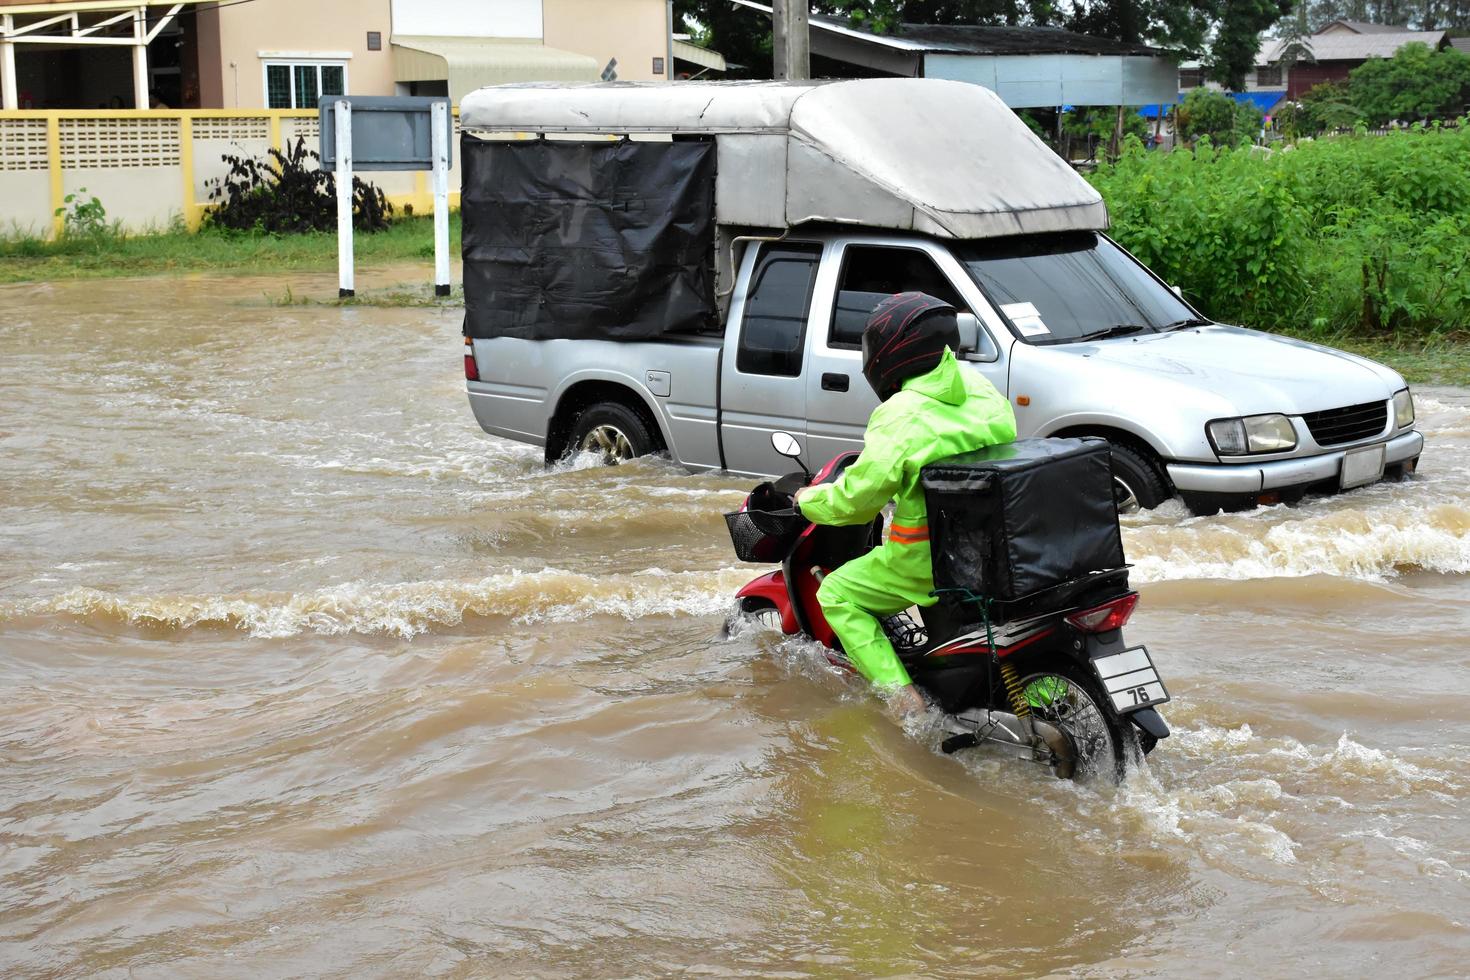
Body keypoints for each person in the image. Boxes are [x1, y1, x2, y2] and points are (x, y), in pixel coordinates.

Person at [794, 292, 1017, 718]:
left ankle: (901, 697)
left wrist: (809, 502)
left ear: (892, 352)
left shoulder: (901, 414)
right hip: (998, 546)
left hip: (929, 561)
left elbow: (858, 502)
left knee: (838, 592)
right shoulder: (978, 387)